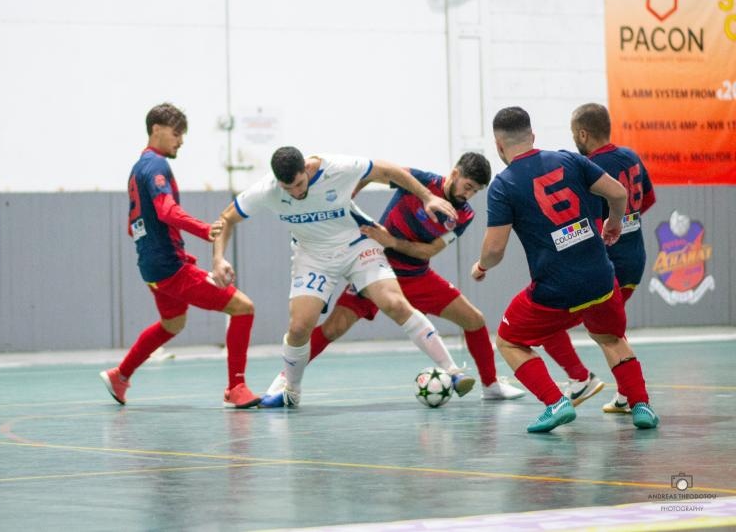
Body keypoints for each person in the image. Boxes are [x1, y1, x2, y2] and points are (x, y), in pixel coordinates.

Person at [212, 146, 476, 408]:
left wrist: (427, 196)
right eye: (288, 188)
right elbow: (227, 217)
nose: (296, 193)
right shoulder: (268, 189)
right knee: (299, 327)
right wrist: (218, 258)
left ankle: (452, 372)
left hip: (358, 244)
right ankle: (291, 390)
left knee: (395, 304)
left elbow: (386, 169)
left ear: (307, 168)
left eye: (299, 184)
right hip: (312, 257)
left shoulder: (337, 168)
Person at [263, 153, 525, 401]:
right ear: (454, 173)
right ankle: (286, 377)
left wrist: (391, 241)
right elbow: (369, 173)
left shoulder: (464, 214)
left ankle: (490, 386)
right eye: (467, 186)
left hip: (417, 276)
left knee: (474, 320)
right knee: (333, 328)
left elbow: (431, 249)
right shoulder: (419, 181)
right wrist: (348, 198)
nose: (468, 194)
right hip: (375, 270)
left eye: (475, 191)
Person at [471, 106, 659, 432]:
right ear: (532, 136)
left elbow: (495, 249)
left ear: (499, 146)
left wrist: (481, 265)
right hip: (602, 278)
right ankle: (641, 406)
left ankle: (556, 402)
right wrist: (614, 222)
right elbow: (618, 192)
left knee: (509, 340)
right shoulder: (569, 159)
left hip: (555, 290)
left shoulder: (503, 185)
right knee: (612, 338)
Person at [99, 103, 262, 409]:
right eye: (176, 133)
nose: (181, 141)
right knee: (243, 308)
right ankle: (236, 387)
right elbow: (166, 210)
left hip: (151, 269)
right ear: (156, 130)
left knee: (173, 324)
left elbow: (132, 226)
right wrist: (205, 230)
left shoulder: (138, 169)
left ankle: (120, 376)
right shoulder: (156, 166)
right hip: (169, 268)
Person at [540, 103, 658, 413]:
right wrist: (623, 221)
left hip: (603, 267)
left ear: (582, 133)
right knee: (610, 330)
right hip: (635, 258)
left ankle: (581, 380)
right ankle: (626, 395)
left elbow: (583, 220)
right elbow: (647, 199)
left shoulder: (588, 168)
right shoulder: (630, 156)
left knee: (545, 322)